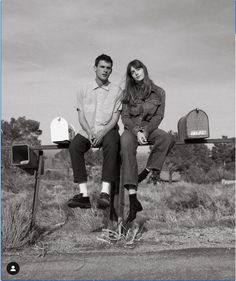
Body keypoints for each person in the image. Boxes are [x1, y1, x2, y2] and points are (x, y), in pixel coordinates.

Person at [120, 59, 174, 224]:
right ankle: (133, 201)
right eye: (132, 71)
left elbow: (159, 116)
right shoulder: (127, 93)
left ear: (144, 69)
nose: (136, 72)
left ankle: (147, 171)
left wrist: (146, 130)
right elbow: (125, 117)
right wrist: (136, 131)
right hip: (131, 130)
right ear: (130, 75)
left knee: (166, 138)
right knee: (125, 144)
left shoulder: (159, 92)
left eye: (138, 69)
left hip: (149, 128)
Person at [68, 54, 121, 210]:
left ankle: (105, 192)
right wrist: (90, 132)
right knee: (75, 146)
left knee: (112, 142)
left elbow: (115, 118)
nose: (105, 70)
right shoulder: (82, 90)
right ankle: (83, 195)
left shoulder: (117, 91)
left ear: (111, 71)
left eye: (108, 68)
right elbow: (81, 116)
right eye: (102, 67)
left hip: (107, 129)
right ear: (95, 68)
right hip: (87, 130)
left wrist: (102, 133)